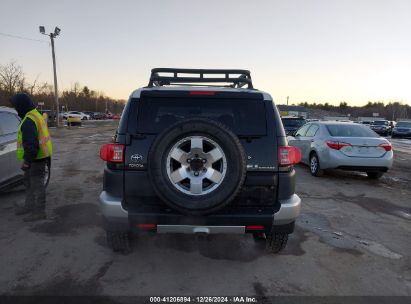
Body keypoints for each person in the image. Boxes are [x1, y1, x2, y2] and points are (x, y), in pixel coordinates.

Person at [9, 93, 53, 222]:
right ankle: (29, 206)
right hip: (38, 156)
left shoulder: (29, 120)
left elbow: (31, 145)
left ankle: (40, 212)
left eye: (16, 106)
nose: (16, 108)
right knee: (28, 183)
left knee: (36, 185)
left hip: (36, 159)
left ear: (21, 106)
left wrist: (27, 162)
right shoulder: (34, 114)